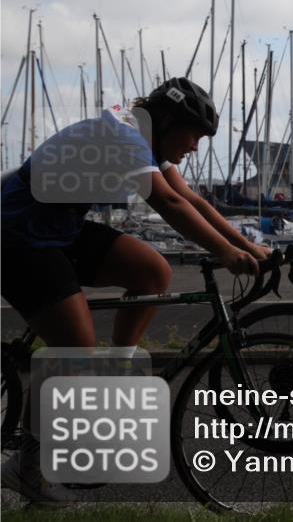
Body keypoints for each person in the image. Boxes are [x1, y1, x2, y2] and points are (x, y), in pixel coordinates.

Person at [0, 77, 269, 503]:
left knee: (152, 272)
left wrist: (248, 245)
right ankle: (27, 467)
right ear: (166, 121)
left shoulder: (147, 140)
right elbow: (170, 205)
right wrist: (226, 253)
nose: (196, 146)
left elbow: (193, 200)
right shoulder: (125, 136)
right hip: (18, 236)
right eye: (194, 135)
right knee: (74, 352)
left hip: (58, 228)